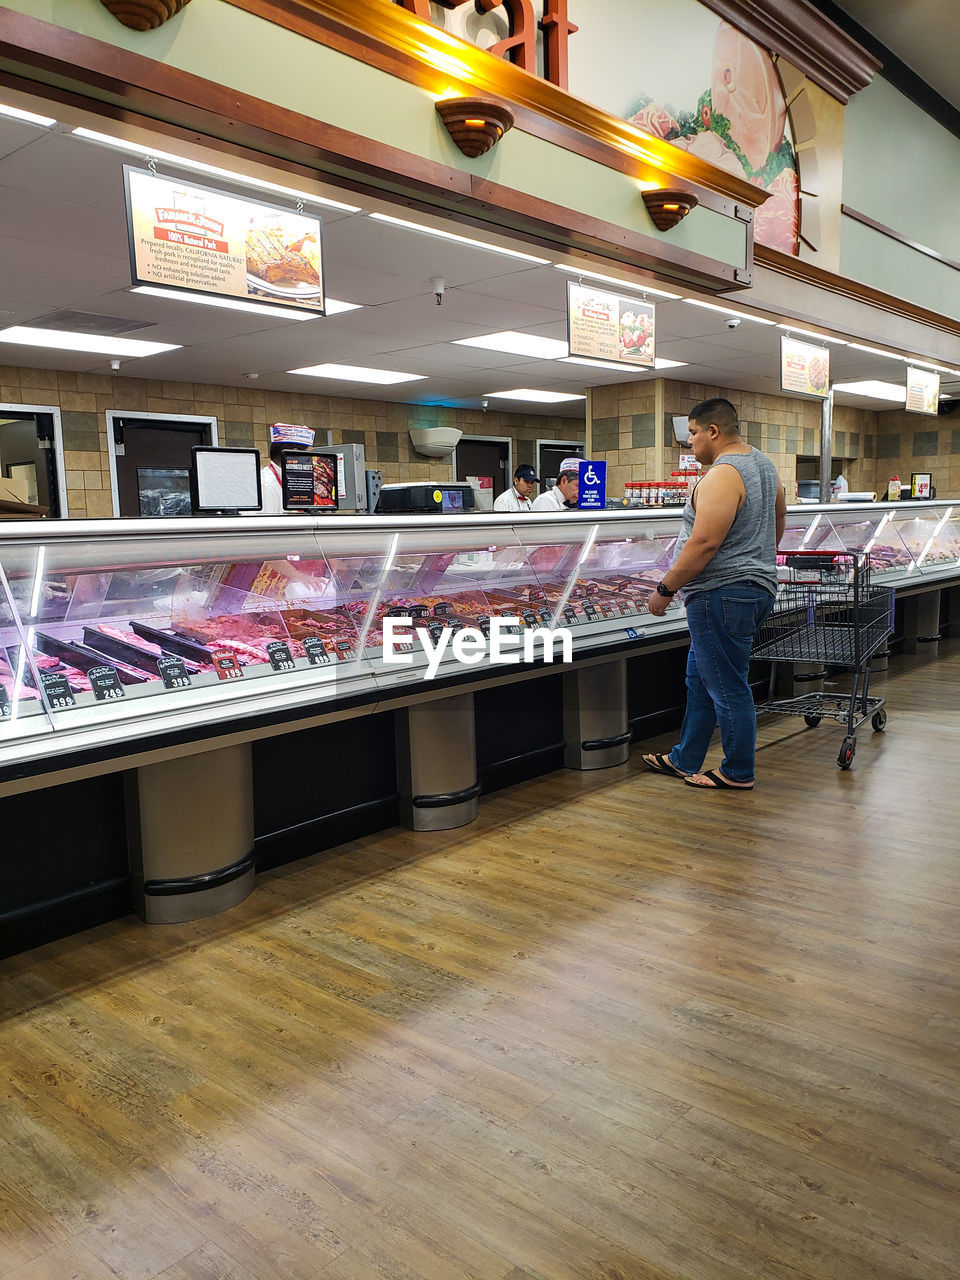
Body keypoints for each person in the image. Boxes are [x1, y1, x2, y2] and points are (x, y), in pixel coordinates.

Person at [642, 397, 786, 791]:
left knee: (726, 684)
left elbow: (704, 542)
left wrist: (665, 588)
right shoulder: (765, 466)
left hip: (720, 593)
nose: (690, 443)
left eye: (691, 433)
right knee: (701, 677)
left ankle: (738, 771)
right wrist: (756, 561)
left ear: (713, 431)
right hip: (753, 588)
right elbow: (778, 521)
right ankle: (684, 757)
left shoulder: (723, 474)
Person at [255, 423, 316, 515]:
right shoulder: (265, 485)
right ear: (295, 454)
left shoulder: (291, 481)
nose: (313, 461)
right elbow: (262, 527)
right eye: (309, 455)